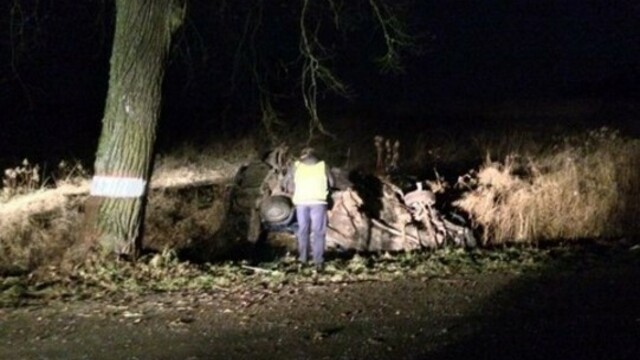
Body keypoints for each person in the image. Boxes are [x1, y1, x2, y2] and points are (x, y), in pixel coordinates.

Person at [284, 147, 334, 272]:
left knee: (303, 230)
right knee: (318, 232)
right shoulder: (323, 165)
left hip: (302, 202)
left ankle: (303, 259)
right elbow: (332, 183)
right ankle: (318, 262)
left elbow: (287, 184)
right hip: (318, 202)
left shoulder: (296, 166)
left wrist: (294, 191)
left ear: (302, 156)